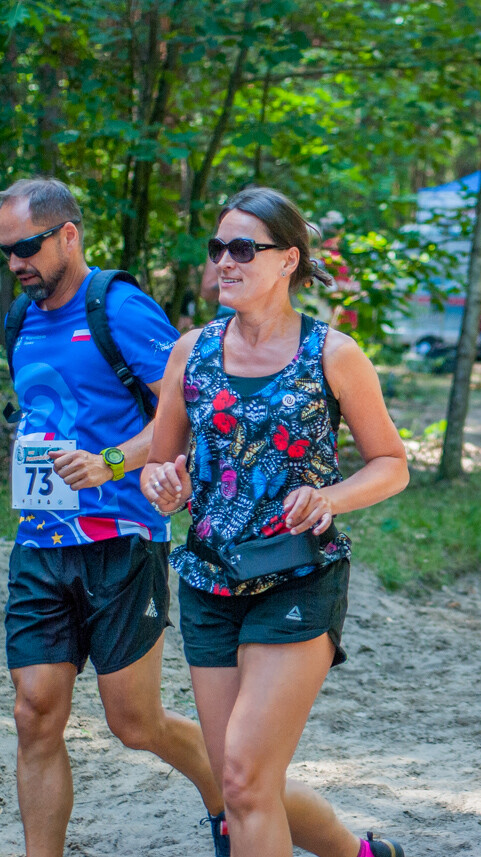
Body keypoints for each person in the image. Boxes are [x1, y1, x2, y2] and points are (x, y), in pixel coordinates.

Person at [141, 188, 408, 857]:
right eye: (217, 248)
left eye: (242, 249)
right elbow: (160, 459)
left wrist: (331, 497)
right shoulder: (190, 353)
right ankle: (358, 854)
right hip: (207, 580)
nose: (223, 262)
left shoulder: (332, 353)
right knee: (240, 784)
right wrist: (162, 484)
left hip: (297, 575)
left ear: (288, 259)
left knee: (244, 776)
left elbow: (391, 463)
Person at [0, 178, 228, 856]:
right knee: (34, 712)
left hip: (122, 539)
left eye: (26, 247)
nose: (16, 262)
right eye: (6, 251)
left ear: (67, 234)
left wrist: (111, 461)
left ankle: (227, 802)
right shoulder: (19, 315)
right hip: (40, 541)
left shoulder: (120, 308)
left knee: (136, 722)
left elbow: (181, 414)